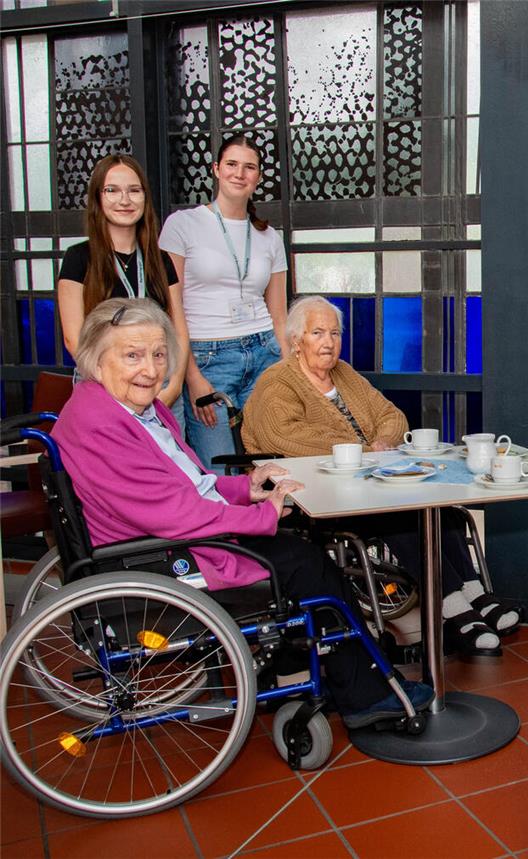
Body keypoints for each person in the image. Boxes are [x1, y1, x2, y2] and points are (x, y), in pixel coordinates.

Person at [51, 298, 433, 729]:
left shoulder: (137, 410)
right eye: (133, 356)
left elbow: (186, 483)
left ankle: (308, 668)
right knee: (310, 567)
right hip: (168, 558)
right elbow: (174, 513)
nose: (152, 369)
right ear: (95, 361)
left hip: (179, 535)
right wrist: (263, 515)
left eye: (159, 355)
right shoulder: (103, 425)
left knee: (303, 553)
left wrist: (245, 488)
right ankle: (366, 697)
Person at [241, 296, 519, 657]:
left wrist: (382, 441)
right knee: (401, 518)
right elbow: (285, 436)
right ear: (297, 340)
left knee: (442, 509)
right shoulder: (277, 384)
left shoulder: (345, 374)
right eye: (318, 333)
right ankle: (453, 610)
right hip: (317, 495)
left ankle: (476, 595)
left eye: (335, 333)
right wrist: (361, 447)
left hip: (367, 483)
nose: (329, 342)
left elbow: (392, 415)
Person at [159, 134, 288, 473]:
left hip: (264, 353)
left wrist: (290, 373)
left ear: (258, 177)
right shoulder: (182, 225)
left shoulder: (270, 236)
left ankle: (270, 525)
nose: (239, 173)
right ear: (216, 169)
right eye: (231, 164)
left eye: (250, 167)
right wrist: (191, 375)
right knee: (216, 469)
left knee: (273, 462)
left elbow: (278, 316)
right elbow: (171, 311)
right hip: (207, 356)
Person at [57, 154, 190, 427]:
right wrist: (120, 389)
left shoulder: (160, 259)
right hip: (104, 386)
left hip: (160, 386)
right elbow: (74, 339)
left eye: (134, 190)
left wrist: (174, 385)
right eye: (112, 191)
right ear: (98, 198)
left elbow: (179, 330)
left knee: (168, 465)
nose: (125, 200)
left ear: (145, 197)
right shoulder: (78, 258)